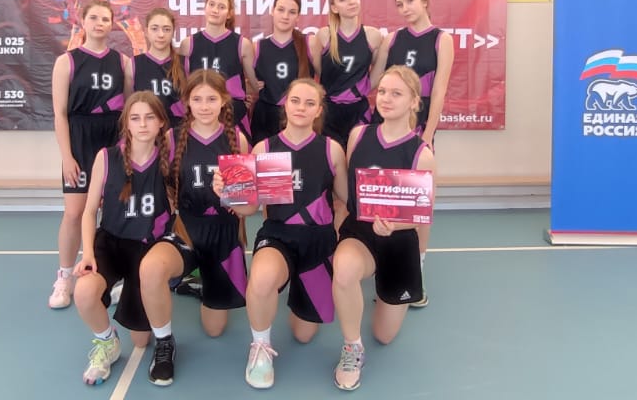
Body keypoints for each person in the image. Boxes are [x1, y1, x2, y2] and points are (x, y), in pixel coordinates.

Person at [212, 78, 347, 389]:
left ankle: (298, 291)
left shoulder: (332, 150)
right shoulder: (263, 148)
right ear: (285, 104)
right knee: (260, 281)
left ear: (318, 111)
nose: (301, 107)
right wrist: (227, 193)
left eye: (310, 103)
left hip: (318, 241)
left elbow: (346, 200)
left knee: (303, 334)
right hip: (278, 236)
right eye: (295, 100)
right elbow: (249, 208)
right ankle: (260, 347)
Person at [137, 69, 253, 386]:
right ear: (186, 101)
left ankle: (196, 283)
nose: (204, 106)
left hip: (224, 235)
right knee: (150, 269)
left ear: (224, 100)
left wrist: (235, 198)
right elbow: (161, 183)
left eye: (211, 99)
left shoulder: (238, 139)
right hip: (187, 230)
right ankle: (164, 343)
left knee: (214, 330)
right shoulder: (172, 138)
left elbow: (248, 203)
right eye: (197, 99)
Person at [330, 66, 436, 392]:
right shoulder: (358, 135)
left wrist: (396, 224)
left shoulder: (422, 154)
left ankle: (384, 292)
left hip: (398, 240)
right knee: (343, 270)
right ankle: (352, 347)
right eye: (383, 92)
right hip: (360, 233)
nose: (386, 99)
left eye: (396, 93)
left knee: (384, 336)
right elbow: (347, 192)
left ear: (414, 101)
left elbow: (422, 213)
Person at [72, 92, 180, 385]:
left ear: (161, 123)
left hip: (147, 249)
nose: (142, 124)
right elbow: (89, 211)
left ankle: (140, 291)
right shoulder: (106, 157)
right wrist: (87, 253)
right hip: (111, 243)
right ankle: (106, 341)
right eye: (135, 118)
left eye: (150, 117)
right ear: (126, 123)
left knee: (141, 340)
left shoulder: (169, 159)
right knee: (84, 292)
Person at [367, 0, 454, 308]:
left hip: (418, 131)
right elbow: (375, 80)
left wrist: (428, 134)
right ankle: (386, 270)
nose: (405, 8)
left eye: (410, 1)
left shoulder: (441, 39)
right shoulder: (393, 39)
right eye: (400, 4)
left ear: (424, 1)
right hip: (389, 130)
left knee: (419, 204)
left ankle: (417, 271)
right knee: (388, 199)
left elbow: (440, 89)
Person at [48, 0, 134, 309]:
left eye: (105, 19)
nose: (99, 23)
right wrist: (67, 156)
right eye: (94, 17)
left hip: (112, 139)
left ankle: (116, 276)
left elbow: (129, 110)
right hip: (81, 139)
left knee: (115, 213)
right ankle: (64, 277)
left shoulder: (123, 62)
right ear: (82, 21)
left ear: (112, 24)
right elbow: (60, 114)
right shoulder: (66, 62)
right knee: (75, 212)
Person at [180, 0, 260, 141]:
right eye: (211, 4)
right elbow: (184, 85)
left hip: (233, 113)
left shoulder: (242, 44)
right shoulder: (188, 44)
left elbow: (255, 85)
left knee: (237, 154)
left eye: (221, 7)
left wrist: (240, 95)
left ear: (229, 13)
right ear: (205, 7)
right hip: (201, 113)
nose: (215, 10)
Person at [315, 0, 385, 148]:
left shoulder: (373, 36)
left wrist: (359, 91)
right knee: (331, 159)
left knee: (358, 157)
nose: (351, 2)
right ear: (334, 8)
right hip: (329, 111)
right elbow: (320, 73)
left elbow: (376, 75)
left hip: (359, 110)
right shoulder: (324, 36)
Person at [250, 0, 319, 145]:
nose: (285, 16)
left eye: (292, 12)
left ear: (298, 17)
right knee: (264, 159)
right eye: (281, 10)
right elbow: (247, 85)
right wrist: (251, 86)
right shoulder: (257, 47)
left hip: (298, 116)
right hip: (265, 117)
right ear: (272, 11)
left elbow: (325, 79)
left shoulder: (309, 43)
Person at [133, 7, 187, 129]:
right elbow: (130, 104)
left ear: (173, 32)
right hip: (146, 130)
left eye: (166, 29)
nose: (161, 34)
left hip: (179, 131)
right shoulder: (134, 64)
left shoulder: (185, 63)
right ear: (146, 31)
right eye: (155, 29)